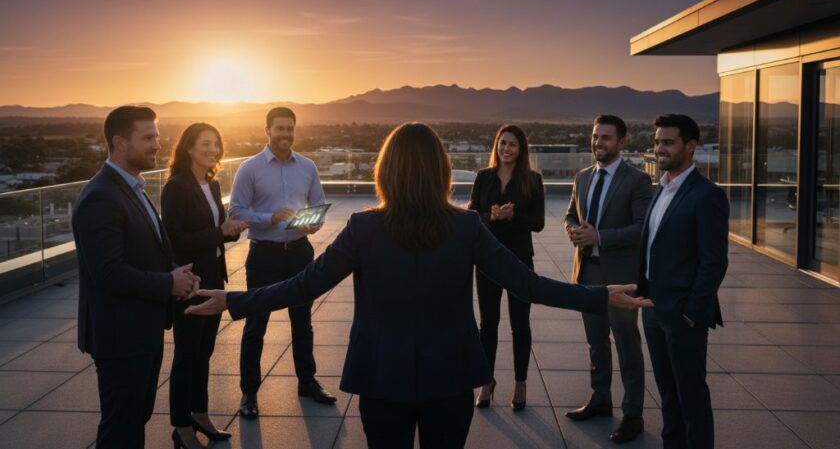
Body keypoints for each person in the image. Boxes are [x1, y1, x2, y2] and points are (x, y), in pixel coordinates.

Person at [186, 122, 652, 449]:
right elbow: (527, 285)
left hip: (381, 377)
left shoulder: (364, 228)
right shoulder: (467, 227)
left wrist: (235, 301)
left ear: (386, 170)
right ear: (441, 170)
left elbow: (305, 285)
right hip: (450, 378)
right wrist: (597, 295)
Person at [72, 106, 199, 449]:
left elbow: (147, 249)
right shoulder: (101, 196)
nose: (157, 144)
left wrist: (177, 275)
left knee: (134, 419)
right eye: (147, 137)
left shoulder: (133, 187)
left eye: (156, 136)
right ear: (119, 142)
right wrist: (167, 284)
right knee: (121, 429)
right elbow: (108, 273)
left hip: (141, 329)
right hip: (120, 336)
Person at [229, 106, 336, 418]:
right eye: (279, 129)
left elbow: (317, 205)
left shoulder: (308, 166)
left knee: (303, 322)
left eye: (290, 128)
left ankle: (307, 381)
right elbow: (236, 212)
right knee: (255, 324)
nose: (285, 134)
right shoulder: (249, 169)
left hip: (300, 252)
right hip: (264, 254)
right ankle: (249, 393)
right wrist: (269, 217)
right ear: (267, 130)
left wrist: (311, 222)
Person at [639, 114, 728, 449]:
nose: (659, 148)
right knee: (668, 396)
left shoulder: (707, 196)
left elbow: (714, 261)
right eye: (657, 141)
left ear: (690, 147)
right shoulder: (659, 189)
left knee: (691, 397)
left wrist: (692, 312)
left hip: (683, 316)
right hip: (652, 309)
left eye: (668, 142)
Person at [563, 115, 652, 443]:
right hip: (587, 271)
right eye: (596, 136)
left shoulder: (637, 181)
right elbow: (571, 214)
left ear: (622, 142)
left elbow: (643, 227)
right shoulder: (582, 176)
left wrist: (600, 236)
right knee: (596, 341)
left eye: (606, 138)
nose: (598, 143)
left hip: (620, 278)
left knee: (627, 343)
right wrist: (573, 230)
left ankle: (633, 414)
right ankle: (600, 399)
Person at [161, 123, 249, 448]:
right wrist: (220, 232)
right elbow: (174, 240)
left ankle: (199, 414)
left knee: (204, 353)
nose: (213, 150)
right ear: (189, 148)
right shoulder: (177, 187)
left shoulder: (210, 185)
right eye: (206, 144)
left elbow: (217, 230)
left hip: (214, 278)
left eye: (217, 144)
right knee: (186, 355)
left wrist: (232, 229)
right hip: (190, 281)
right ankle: (181, 427)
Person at [468, 124, 544, 411]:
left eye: (512, 144)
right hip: (487, 260)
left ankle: (520, 382)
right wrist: (492, 215)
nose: (506, 149)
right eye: (502, 143)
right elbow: (473, 215)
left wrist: (511, 217)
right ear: (496, 146)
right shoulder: (483, 177)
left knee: (520, 325)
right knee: (488, 324)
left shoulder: (533, 180)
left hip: (519, 260)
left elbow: (538, 222)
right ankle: (487, 381)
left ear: (521, 149)